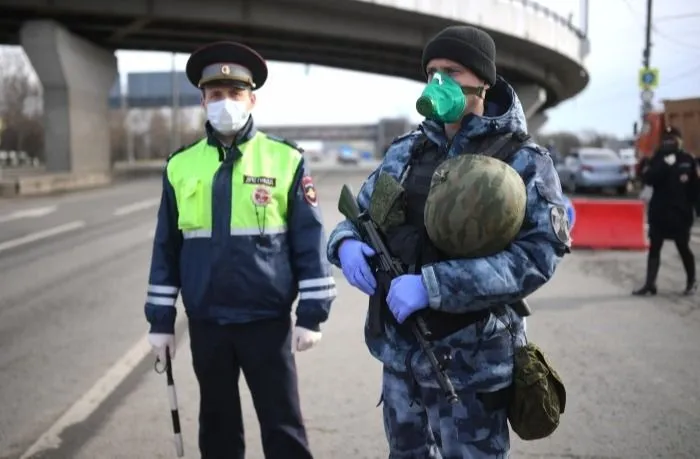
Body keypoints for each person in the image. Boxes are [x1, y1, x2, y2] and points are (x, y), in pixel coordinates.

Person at [326, 25, 571, 458]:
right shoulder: (407, 153)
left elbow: (538, 256)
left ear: (482, 80)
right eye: (432, 71)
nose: (439, 82)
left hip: (473, 369)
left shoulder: (522, 160)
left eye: (452, 71)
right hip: (402, 362)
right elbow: (363, 216)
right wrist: (345, 244)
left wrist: (435, 286)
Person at [143, 41, 336, 459]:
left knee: (283, 426)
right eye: (216, 95)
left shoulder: (285, 160)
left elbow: (309, 242)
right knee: (217, 429)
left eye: (234, 94)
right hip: (207, 322)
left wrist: (312, 314)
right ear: (202, 100)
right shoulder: (180, 165)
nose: (225, 103)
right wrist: (161, 320)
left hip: (265, 322)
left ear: (252, 99)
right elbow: (166, 248)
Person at [633, 126, 699, 296]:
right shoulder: (656, 159)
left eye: (673, 139)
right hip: (659, 212)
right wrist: (663, 165)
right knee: (655, 247)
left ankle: (692, 282)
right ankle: (650, 284)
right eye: (666, 139)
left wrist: (697, 210)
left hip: (680, 213)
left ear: (679, 141)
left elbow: (695, 189)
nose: (669, 142)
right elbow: (648, 179)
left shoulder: (687, 160)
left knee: (683, 246)